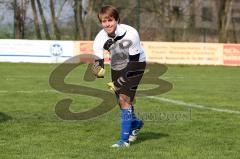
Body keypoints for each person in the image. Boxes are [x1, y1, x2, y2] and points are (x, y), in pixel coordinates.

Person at [92, 5, 146, 148]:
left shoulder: (131, 34)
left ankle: (124, 141)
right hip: (117, 65)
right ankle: (136, 124)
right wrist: (97, 70)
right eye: (104, 21)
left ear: (117, 20)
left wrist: (119, 82)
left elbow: (134, 63)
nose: (107, 24)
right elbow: (97, 66)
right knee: (120, 102)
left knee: (124, 99)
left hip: (136, 64)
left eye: (110, 20)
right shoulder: (99, 39)